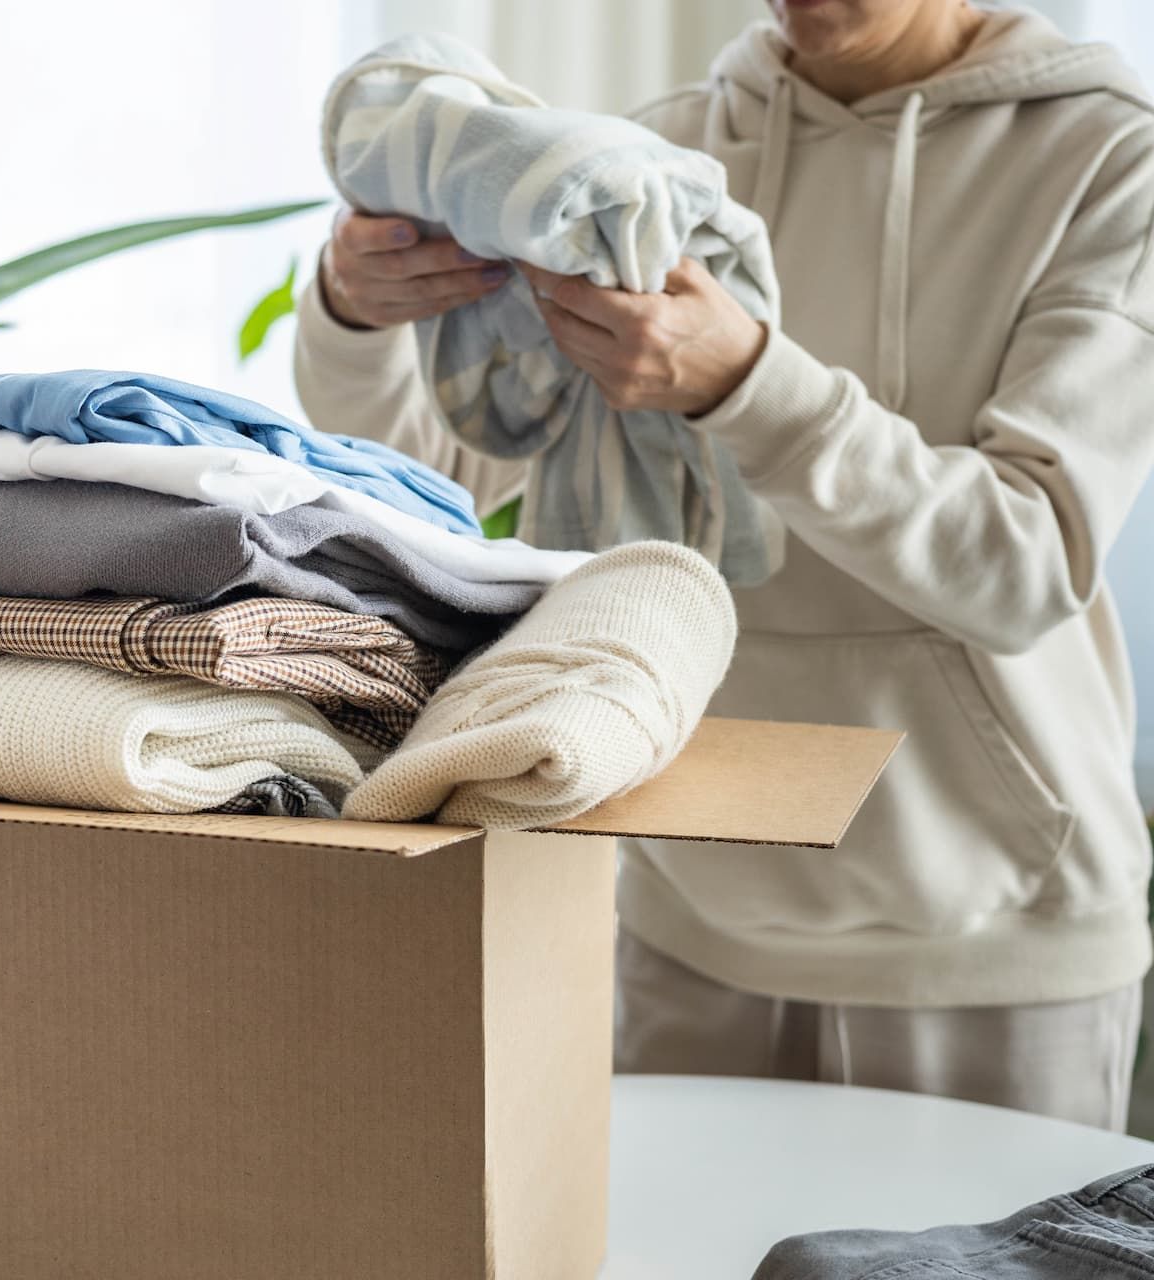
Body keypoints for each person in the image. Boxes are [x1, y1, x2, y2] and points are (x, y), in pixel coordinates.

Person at [295, 0, 1154, 1131]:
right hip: (689, 885)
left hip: (991, 923)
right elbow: (430, 483)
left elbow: (1025, 564)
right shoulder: (650, 157)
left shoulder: (1111, 157)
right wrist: (356, 313)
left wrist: (750, 385)